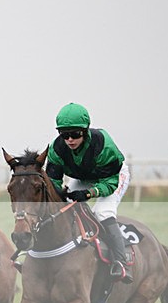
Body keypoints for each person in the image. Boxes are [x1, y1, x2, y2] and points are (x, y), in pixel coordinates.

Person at [45, 102, 133, 283]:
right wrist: (59, 195)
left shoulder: (103, 145)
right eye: (64, 134)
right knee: (65, 208)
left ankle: (121, 261)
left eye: (75, 134)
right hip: (83, 175)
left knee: (103, 212)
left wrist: (88, 194)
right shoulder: (56, 148)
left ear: (85, 131)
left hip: (111, 176)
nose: (69, 140)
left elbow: (109, 184)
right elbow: (52, 181)